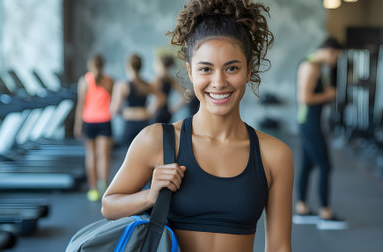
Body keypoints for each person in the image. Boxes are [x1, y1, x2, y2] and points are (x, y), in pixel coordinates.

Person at [102, 0, 294, 251]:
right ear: (190, 72)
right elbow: (109, 206)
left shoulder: (275, 155)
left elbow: (279, 247)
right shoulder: (157, 140)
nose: (219, 82)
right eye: (206, 69)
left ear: (249, 70)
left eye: (232, 68)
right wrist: (150, 196)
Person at [294, 37, 348, 230]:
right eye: (336, 57)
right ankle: (325, 213)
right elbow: (305, 98)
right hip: (309, 123)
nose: (335, 61)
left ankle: (301, 209)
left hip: (310, 122)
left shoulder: (315, 66)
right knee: (325, 165)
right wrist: (330, 94)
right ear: (329, 51)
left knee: (308, 166)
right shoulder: (311, 67)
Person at [73, 54, 114, 202]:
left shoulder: (84, 81)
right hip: (104, 120)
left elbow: (80, 104)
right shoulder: (109, 80)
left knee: (91, 155)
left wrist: (77, 124)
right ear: (102, 65)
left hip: (89, 121)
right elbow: (113, 100)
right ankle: (104, 185)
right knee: (104, 155)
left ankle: (93, 190)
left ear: (90, 65)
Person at [110, 54, 166, 146]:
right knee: (145, 156)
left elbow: (114, 109)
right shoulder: (147, 85)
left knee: (129, 157)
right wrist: (150, 111)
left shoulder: (122, 86)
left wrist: (123, 113)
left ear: (128, 66)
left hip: (130, 123)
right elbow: (162, 98)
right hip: (144, 122)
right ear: (140, 66)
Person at [151, 54, 187, 123]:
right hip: (167, 112)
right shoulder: (171, 80)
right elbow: (186, 96)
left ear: (161, 65)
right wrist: (174, 109)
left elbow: (158, 100)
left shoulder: (157, 80)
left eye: (157, 65)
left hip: (158, 112)